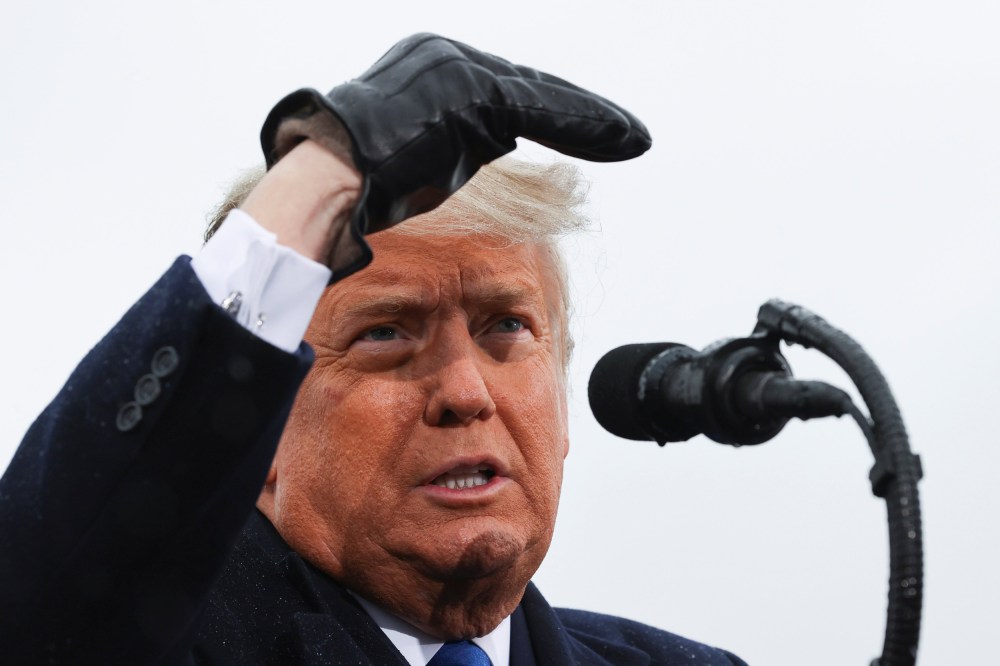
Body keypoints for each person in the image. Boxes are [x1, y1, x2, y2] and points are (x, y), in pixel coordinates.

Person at [0, 34, 746, 665]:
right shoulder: (160, 639)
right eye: (384, 334)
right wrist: (326, 174)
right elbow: (47, 589)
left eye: (506, 328)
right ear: (255, 435)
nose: (464, 392)